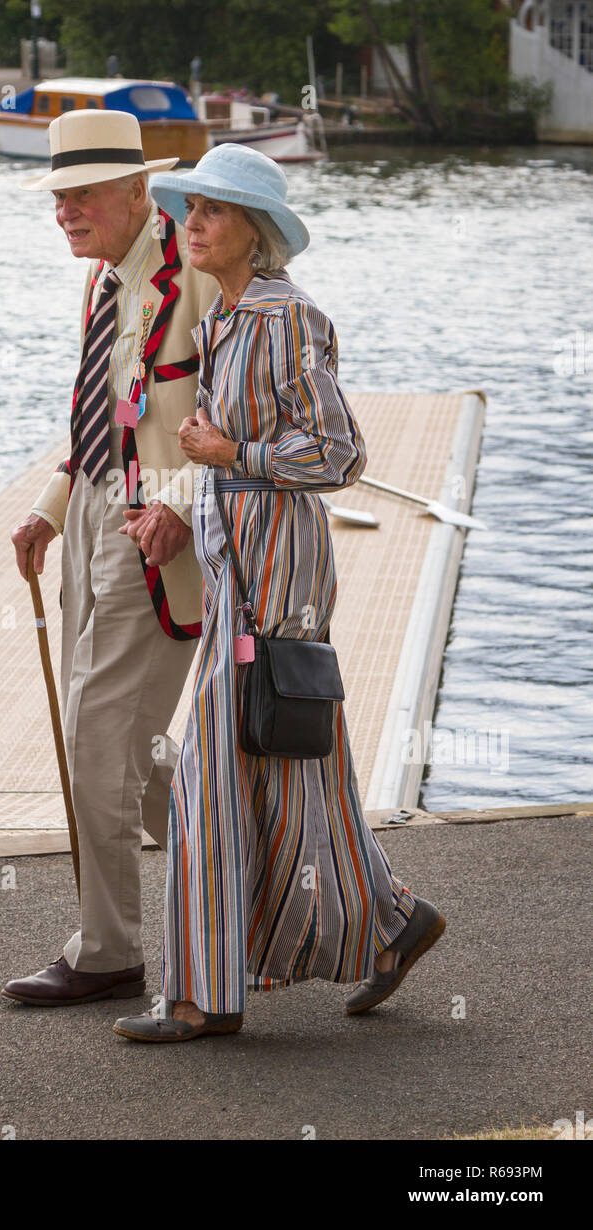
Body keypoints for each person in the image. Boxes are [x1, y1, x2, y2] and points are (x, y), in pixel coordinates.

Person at [112, 143, 446, 1043]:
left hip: (277, 577)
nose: (193, 226)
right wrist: (198, 494)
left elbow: (341, 454)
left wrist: (232, 456)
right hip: (239, 568)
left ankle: (201, 996)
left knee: (212, 779)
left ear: (255, 233)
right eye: (190, 211)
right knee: (295, 761)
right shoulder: (223, 318)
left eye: (212, 213)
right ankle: (391, 919)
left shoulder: (285, 318)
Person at [2, 109, 217, 1006]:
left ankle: (108, 952)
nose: (65, 211)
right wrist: (53, 508)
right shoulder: (104, 279)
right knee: (141, 752)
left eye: (82, 194)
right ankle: (322, 896)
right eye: (58, 196)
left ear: (138, 190)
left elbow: (234, 426)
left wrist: (176, 506)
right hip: (95, 514)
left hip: (157, 531)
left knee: (96, 731)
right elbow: (100, 414)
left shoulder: (200, 277)